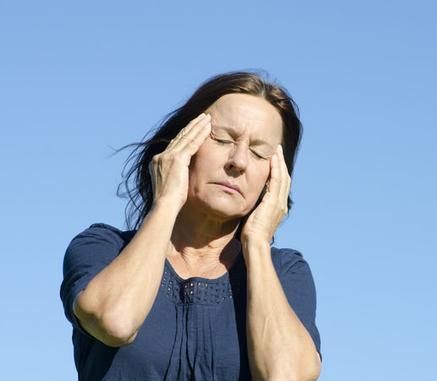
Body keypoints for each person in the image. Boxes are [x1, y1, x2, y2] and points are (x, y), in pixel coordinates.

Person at [59, 71, 322, 381]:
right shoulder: (103, 248)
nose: (238, 161)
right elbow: (115, 321)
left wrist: (258, 244)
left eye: (258, 152)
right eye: (223, 139)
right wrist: (167, 200)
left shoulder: (285, 272)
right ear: (181, 145)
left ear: (274, 177)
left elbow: (285, 375)